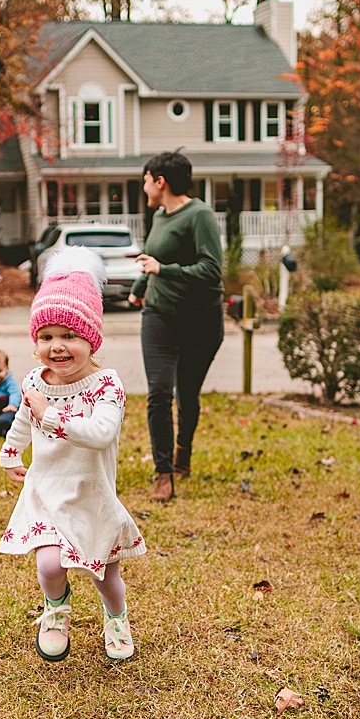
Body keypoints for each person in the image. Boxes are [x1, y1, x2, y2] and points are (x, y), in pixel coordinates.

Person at [0, 248, 145, 662]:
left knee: (105, 574)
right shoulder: (34, 381)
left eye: (69, 336)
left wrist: (53, 416)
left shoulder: (106, 386)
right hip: (46, 489)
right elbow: (25, 418)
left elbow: (100, 434)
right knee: (48, 565)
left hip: (92, 493)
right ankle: (56, 612)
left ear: (90, 339)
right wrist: (11, 451)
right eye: (46, 337)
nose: (56, 347)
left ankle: (116, 618)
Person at [128, 151, 224, 502]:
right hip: (160, 314)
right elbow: (156, 260)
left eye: (146, 180)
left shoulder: (199, 215)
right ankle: (163, 472)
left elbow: (212, 270)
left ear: (160, 181)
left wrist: (161, 271)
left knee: (187, 394)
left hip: (201, 318)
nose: (144, 187)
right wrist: (141, 289)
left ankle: (184, 450)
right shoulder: (159, 216)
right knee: (159, 392)